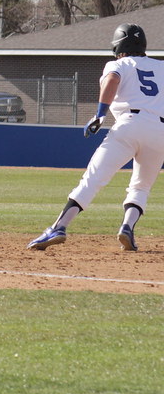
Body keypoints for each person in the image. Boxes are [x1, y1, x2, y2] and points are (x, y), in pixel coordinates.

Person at [28, 23, 164, 252]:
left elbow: (112, 79)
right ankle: (127, 228)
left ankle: (59, 227)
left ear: (118, 46)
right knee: (141, 187)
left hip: (129, 125)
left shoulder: (118, 63)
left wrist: (100, 115)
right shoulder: (161, 67)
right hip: (160, 131)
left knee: (93, 179)